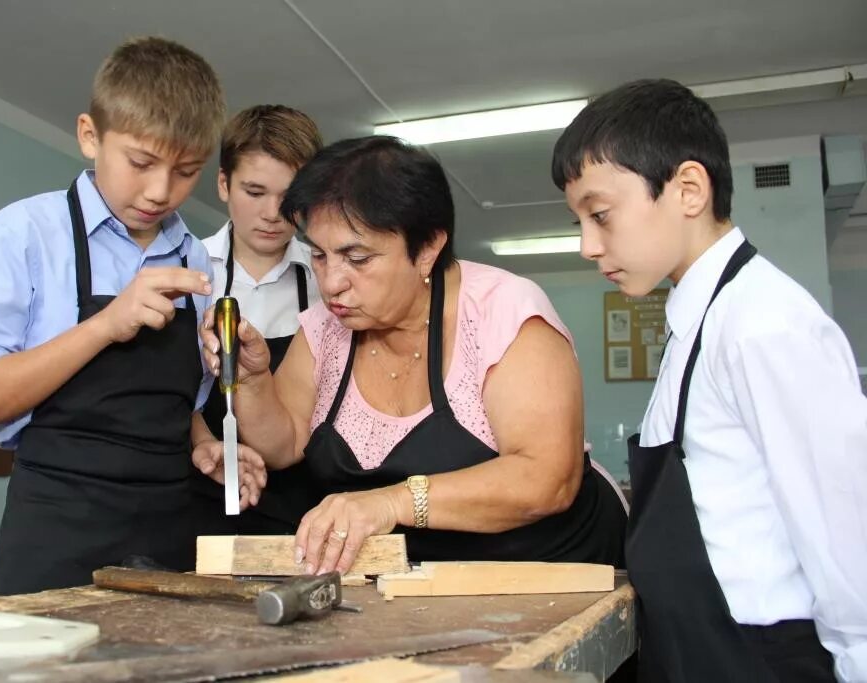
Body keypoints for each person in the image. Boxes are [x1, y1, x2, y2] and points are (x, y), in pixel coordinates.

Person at [552, 78, 867, 682]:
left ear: (688, 189)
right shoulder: (695, 325)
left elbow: (845, 536)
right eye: (579, 223)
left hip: (756, 660)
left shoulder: (763, 323)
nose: (589, 246)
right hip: (693, 650)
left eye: (600, 215)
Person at [200, 135, 628, 576]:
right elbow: (283, 443)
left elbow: (546, 480)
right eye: (320, 256)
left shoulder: (503, 312)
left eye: (357, 258)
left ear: (427, 249)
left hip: (558, 568)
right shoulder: (324, 328)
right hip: (429, 584)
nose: (331, 283)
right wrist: (252, 379)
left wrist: (390, 502)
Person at [0, 37, 265, 596]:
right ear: (91, 135)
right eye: (141, 162)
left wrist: (202, 441)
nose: (160, 192)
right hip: (56, 533)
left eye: (185, 171)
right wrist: (105, 324)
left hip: (167, 535)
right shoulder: (22, 236)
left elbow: (171, 403)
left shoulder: (192, 257)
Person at [192, 105, 324, 535]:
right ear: (223, 184)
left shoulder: (329, 280)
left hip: (307, 500)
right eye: (254, 192)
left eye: (289, 197)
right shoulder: (186, 272)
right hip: (201, 488)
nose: (272, 213)